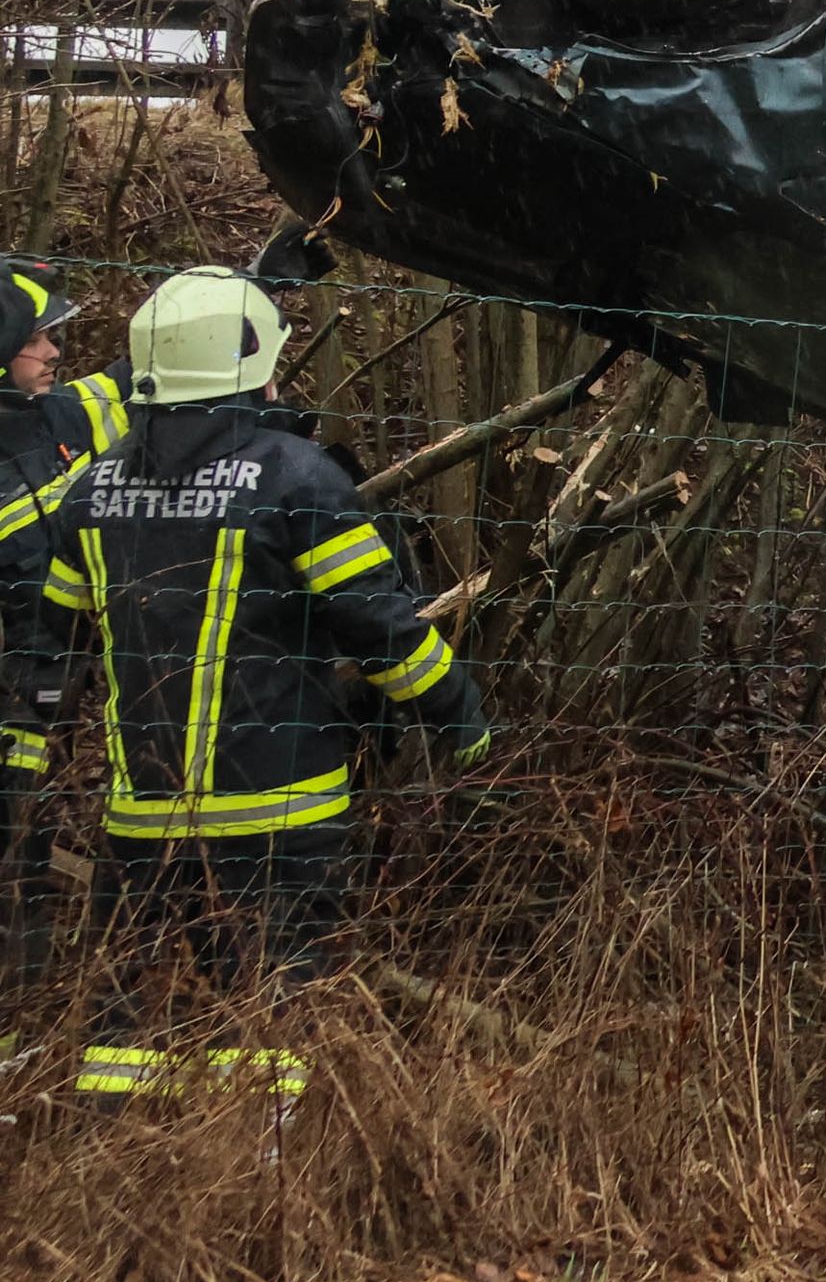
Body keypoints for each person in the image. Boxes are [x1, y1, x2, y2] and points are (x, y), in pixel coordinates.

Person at [10, 265, 490, 1105]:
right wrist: (464, 722)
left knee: (132, 1030)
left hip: (142, 821)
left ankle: (134, 1158)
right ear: (250, 365)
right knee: (269, 1024)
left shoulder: (93, 488)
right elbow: (381, 630)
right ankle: (260, 1160)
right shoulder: (300, 479)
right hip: (281, 817)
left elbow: (61, 637)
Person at [1, 263, 129, 1020]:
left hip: (43, 708)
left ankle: (15, 1047)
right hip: (14, 704)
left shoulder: (63, 415)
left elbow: (149, 375)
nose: (55, 351)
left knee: (22, 876)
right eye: (37, 337)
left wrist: (258, 286)